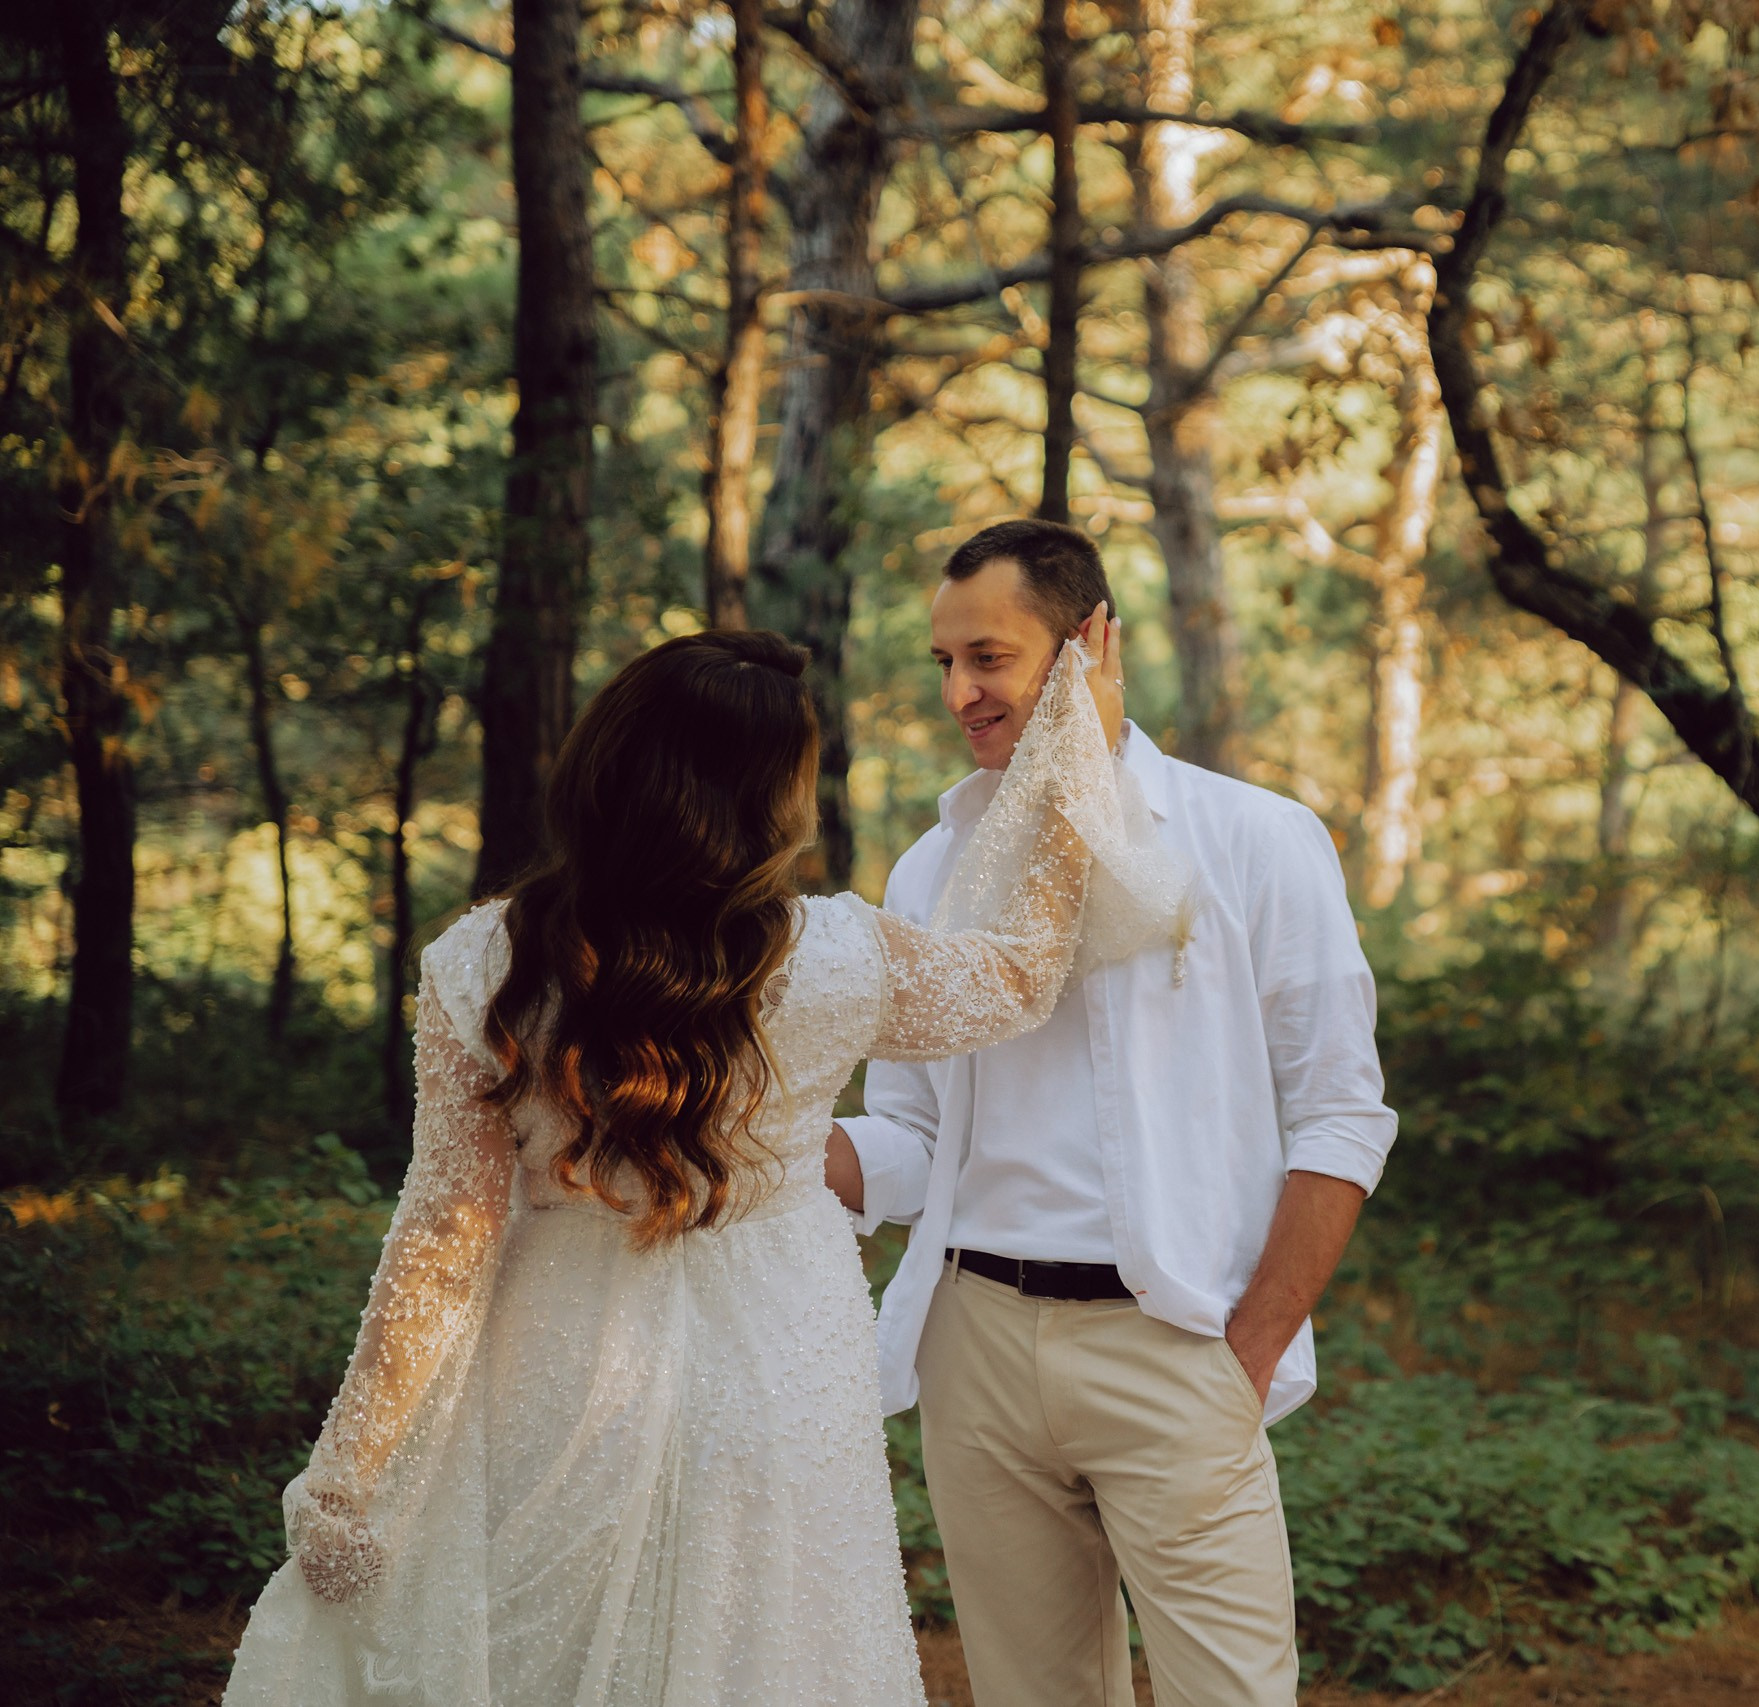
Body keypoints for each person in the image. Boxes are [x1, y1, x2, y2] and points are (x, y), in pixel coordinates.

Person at [223, 614, 1165, 1707]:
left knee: (555, 1654)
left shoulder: (483, 963)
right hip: (778, 1363)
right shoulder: (840, 958)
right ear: (769, 798)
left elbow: (444, 1236)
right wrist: (1075, 746)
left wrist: (347, 1476)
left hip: (560, 1362)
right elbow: (1020, 973)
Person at [835, 518, 1398, 1707]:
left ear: (1090, 641)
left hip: (1177, 1338)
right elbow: (913, 1137)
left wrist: (1246, 1347)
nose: (959, 695)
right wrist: (756, 1141)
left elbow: (1341, 1115)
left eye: (987, 657)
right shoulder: (930, 871)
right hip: (973, 1344)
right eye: (942, 664)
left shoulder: (1255, 838)